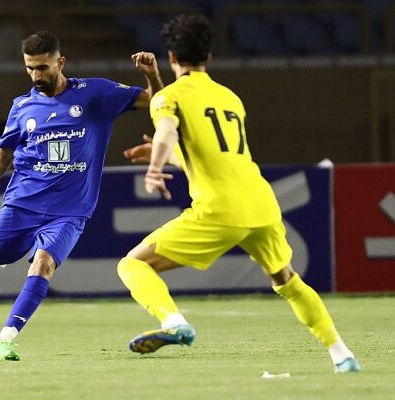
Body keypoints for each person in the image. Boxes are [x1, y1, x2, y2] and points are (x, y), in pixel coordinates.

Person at [118, 14, 361, 373]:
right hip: (261, 203)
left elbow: (167, 129)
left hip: (219, 209)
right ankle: (342, 354)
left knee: (133, 264)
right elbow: (215, 153)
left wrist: (155, 165)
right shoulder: (230, 97)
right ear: (209, 56)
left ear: (171, 57)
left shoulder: (168, 98)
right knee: (287, 280)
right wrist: (166, 155)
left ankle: (174, 323)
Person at [0, 30, 163, 362]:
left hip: (69, 211)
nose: (36, 75)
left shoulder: (95, 93)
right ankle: (17, 247)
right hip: (22, 205)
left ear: (60, 62)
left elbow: (158, 102)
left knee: (43, 263)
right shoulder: (22, 107)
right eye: (30, 68)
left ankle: (5, 341)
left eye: (42, 67)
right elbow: (0, 162)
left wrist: (152, 74)